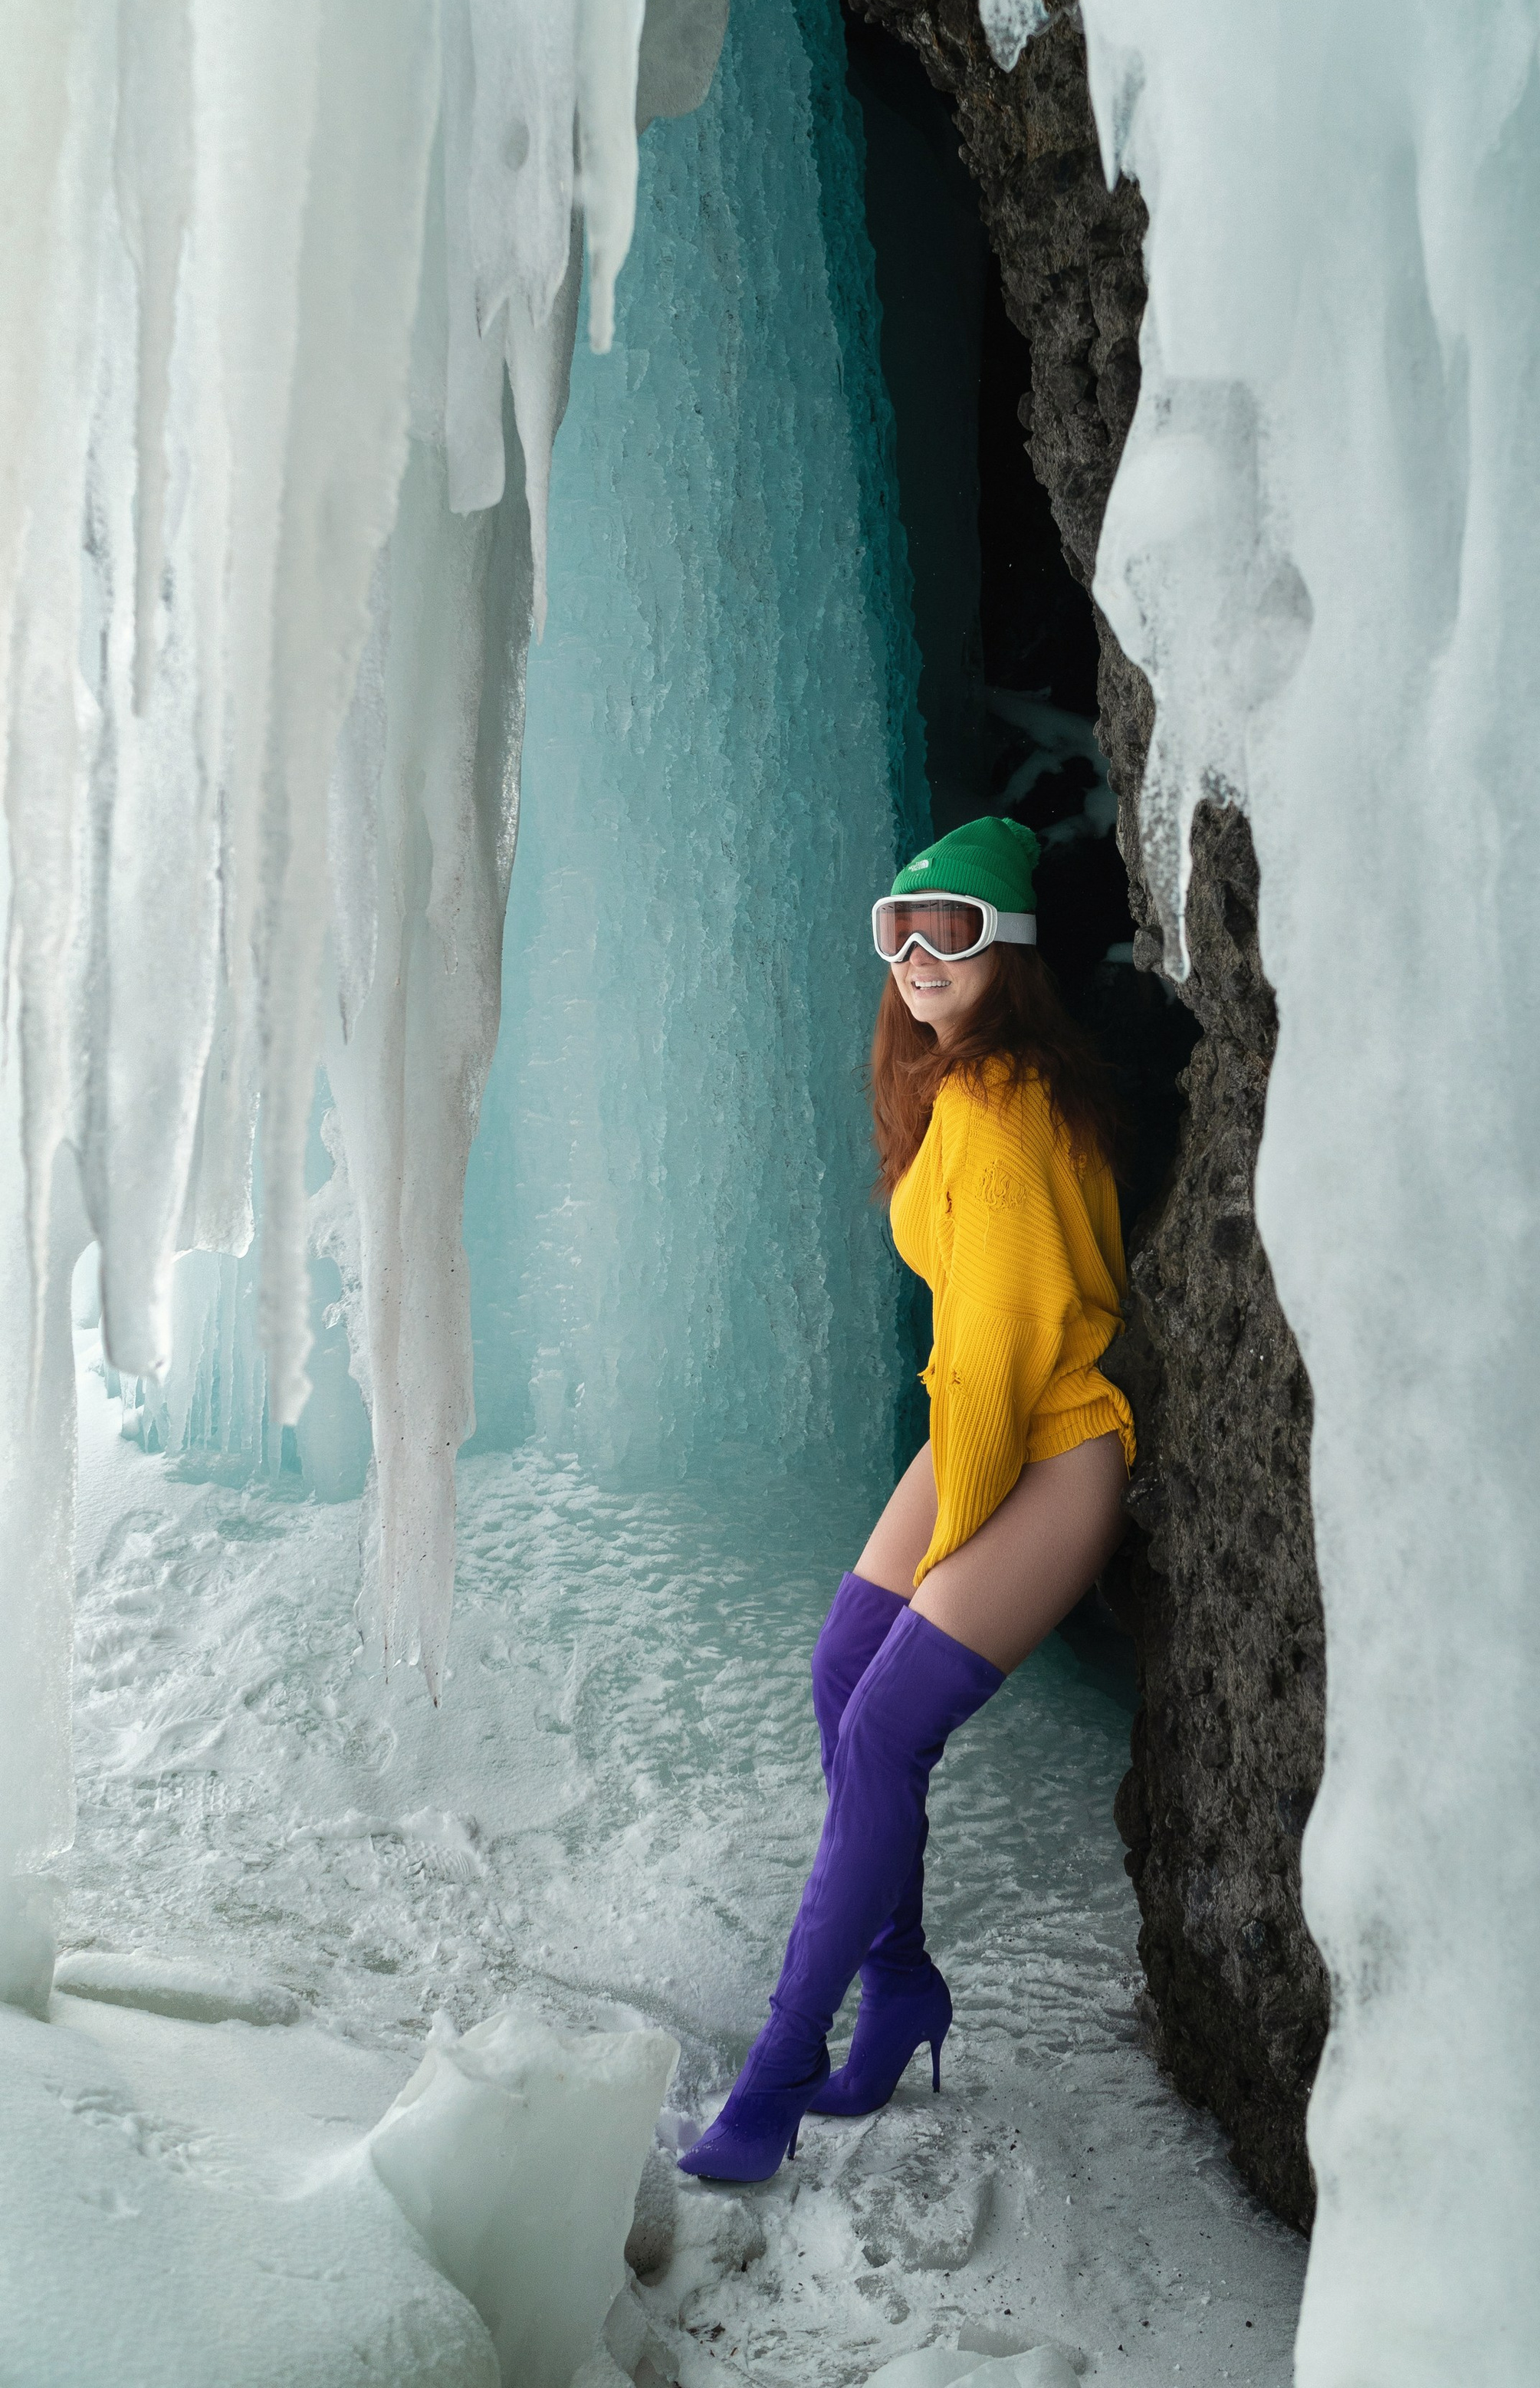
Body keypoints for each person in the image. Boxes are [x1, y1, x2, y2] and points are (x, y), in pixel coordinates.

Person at [679, 816, 1134, 2184]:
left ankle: (781, 2065)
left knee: (881, 1725)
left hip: (1053, 1445)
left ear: (1012, 948)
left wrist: (955, 1544)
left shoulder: (998, 1106)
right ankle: (901, 1986)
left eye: (955, 931)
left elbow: (998, 1351)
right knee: (843, 1671)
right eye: (900, 930)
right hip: (981, 1423)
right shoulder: (969, 1084)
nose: (921, 957)